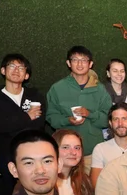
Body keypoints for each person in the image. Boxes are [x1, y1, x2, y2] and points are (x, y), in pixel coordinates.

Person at [0, 53, 47, 195]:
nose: (16, 70)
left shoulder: (35, 97)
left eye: (21, 67)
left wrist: (12, 122)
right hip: (8, 157)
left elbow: (38, 124)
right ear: (3, 71)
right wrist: (27, 116)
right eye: (11, 66)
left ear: (26, 75)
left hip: (34, 155)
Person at [46, 45, 112, 174]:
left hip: (93, 153)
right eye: (75, 60)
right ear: (68, 63)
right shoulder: (57, 88)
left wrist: (90, 114)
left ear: (90, 64)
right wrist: (67, 120)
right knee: (65, 191)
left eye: (84, 60)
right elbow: (51, 117)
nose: (80, 64)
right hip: (65, 154)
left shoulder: (100, 89)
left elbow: (108, 119)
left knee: (93, 190)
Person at [90, 102, 127, 188]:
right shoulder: (100, 149)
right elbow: (96, 186)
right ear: (110, 123)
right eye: (116, 119)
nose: (120, 124)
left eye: (124, 119)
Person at [52, 129, 95, 195]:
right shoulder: (45, 183)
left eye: (77, 148)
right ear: (53, 150)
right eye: (65, 147)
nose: (73, 152)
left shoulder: (84, 181)